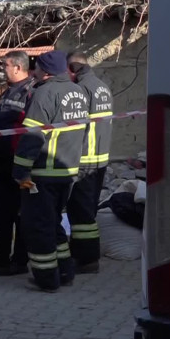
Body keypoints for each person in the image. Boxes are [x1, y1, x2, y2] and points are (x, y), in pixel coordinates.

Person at [13, 50, 88, 292]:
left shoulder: (44, 93)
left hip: (43, 174)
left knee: (38, 226)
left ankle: (46, 278)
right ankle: (65, 270)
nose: (33, 72)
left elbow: (33, 136)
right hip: (67, 173)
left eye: (36, 68)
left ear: (45, 71)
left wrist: (20, 170)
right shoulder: (78, 92)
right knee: (53, 222)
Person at [0, 51, 36, 276]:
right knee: (2, 213)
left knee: (20, 214)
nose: (3, 69)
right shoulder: (10, 89)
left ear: (18, 68)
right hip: (1, 161)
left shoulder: (31, 92)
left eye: (5, 66)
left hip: (18, 163)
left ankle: (19, 260)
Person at [66, 51, 114, 274]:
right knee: (88, 211)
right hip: (100, 158)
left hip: (85, 158)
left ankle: (85, 259)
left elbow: (76, 127)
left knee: (81, 213)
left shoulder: (81, 89)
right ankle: (85, 255)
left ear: (72, 68)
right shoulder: (101, 86)